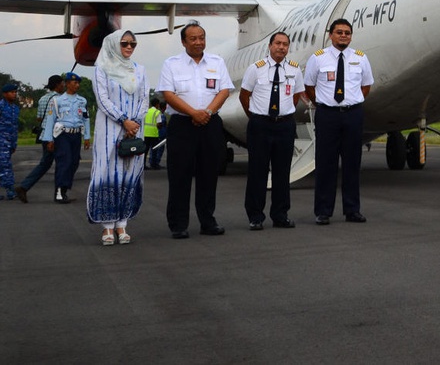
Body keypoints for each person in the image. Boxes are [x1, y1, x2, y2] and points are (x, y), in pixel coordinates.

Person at [159, 22, 234, 239]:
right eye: (193, 38)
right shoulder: (171, 64)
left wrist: (207, 113)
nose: (198, 42)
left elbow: (224, 91)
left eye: (202, 37)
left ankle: (208, 221)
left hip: (210, 124)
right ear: (183, 41)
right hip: (182, 125)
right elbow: (168, 94)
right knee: (179, 175)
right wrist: (194, 113)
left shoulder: (217, 62)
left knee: (209, 175)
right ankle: (178, 224)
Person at [304, 18, 373, 225]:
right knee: (326, 163)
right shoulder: (318, 59)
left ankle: (352, 210)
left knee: (352, 163)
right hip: (328, 115)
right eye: (339, 32)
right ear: (330, 35)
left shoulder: (360, 58)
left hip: (353, 114)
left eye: (347, 33)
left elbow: (366, 86)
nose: (344, 36)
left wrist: (352, 102)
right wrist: (324, 103)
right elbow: (309, 86)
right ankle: (323, 211)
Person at [239, 31, 305, 230]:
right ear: (270, 46)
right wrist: (256, 116)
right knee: (257, 171)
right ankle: (255, 216)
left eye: (285, 44)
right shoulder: (255, 69)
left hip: (284, 125)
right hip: (260, 125)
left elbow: (295, 96)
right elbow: (244, 96)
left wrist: (283, 114)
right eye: (278, 43)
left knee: (282, 172)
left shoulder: (295, 70)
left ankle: (280, 214)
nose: (281, 47)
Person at [87, 31, 148, 245]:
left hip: (134, 129)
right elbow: (102, 99)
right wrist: (123, 120)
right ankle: (107, 226)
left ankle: (122, 223)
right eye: (124, 43)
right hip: (109, 129)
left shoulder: (140, 70)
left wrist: (134, 122)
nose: (129, 47)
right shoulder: (101, 69)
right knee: (107, 172)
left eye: (133, 43)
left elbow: (144, 100)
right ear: (114, 44)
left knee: (129, 174)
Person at [42, 72, 92, 204]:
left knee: (74, 162)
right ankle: (59, 191)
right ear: (67, 84)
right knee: (65, 161)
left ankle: (64, 189)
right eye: (75, 83)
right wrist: (49, 139)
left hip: (76, 135)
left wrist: (87, 137)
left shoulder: (82, 101)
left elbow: (86, 118)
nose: (77, 85)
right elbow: (50, 120)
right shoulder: (57, 101)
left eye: (78, 83)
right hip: (62, 135)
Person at [16, 75, 64, 203]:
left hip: (44, 135)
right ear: (58, 85)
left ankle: (25, 186)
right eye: (62, 83)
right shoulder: (60, 99)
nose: (64, 86)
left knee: (45, 164)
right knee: (62, 164)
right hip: (56, 135)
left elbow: (39, 118)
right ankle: (60, 194)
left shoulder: (43, 98)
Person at [143, 96, 167, 170]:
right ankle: (154, 164)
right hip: (153, 133)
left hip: (145, 133)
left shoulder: (147, 111)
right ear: (157, 104)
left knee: (145, 150)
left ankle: (143, 165)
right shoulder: (157, 112)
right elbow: (159, 124)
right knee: (154, 150)